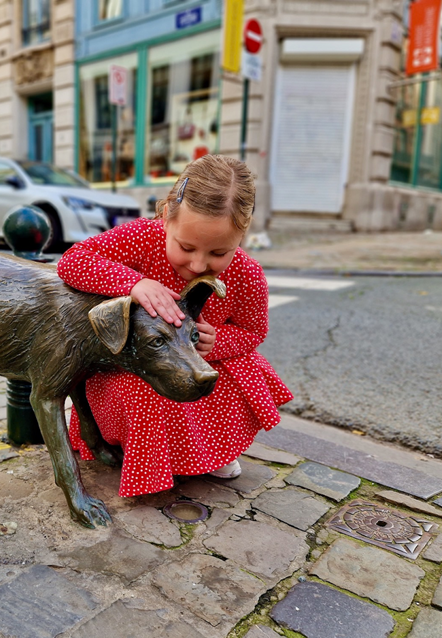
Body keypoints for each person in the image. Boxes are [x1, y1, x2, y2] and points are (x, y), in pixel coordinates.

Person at [56, 154, 293, 498]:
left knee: (231, 375)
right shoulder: (143, 237)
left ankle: (211, 451)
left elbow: (254, 332)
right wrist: (133, 282)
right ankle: (145, 456)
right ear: (167, 217)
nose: (198, 264)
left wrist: (217, 341)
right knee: (142, 391)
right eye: (186, 247)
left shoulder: (247, 275)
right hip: (139, 362)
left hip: (202, 360)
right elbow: (74, 260)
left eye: (218, 253)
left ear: (242, 235)